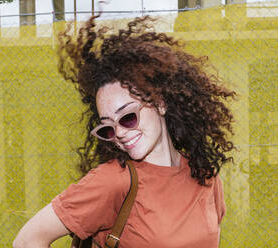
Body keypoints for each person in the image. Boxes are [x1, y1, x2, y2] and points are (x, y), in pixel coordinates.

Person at [13, 14, 235, 248]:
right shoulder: (113, 181)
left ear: (160, 103)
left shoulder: (205, 175)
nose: (119, 132)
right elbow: (27, 241)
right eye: (108, 127)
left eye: (128, 117)